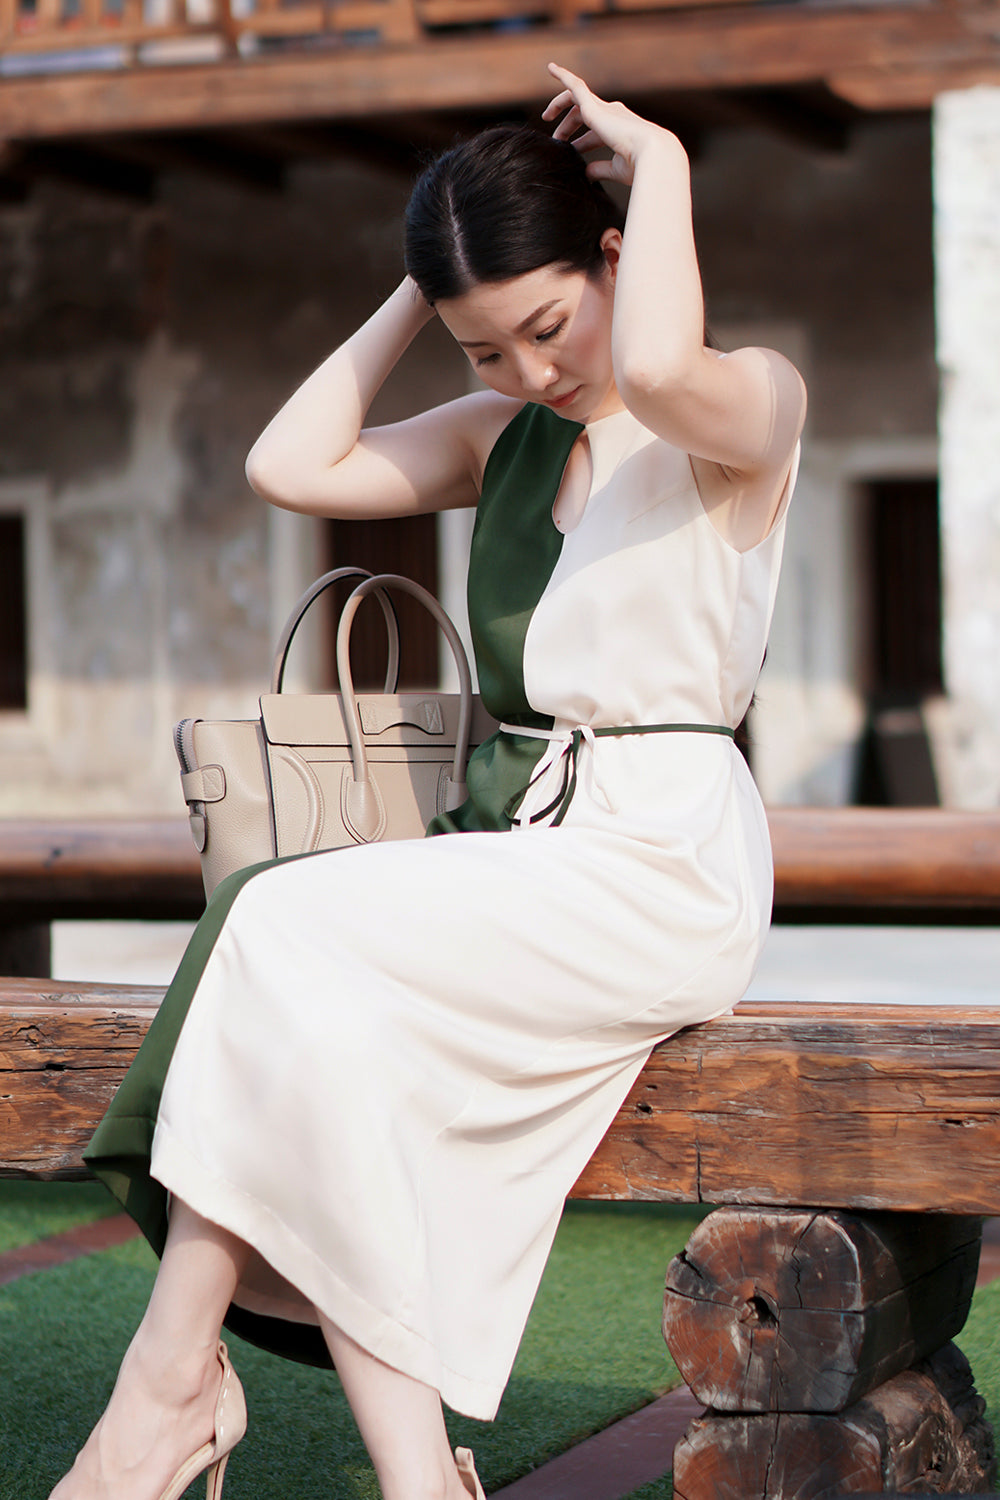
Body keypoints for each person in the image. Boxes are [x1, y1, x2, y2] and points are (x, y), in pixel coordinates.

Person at [50, 62, 805, 1500]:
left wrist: (667, 170)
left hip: (660, 863)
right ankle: (416, 1479)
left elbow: (652, 367)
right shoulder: (507, 442)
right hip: (522, 855)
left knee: (279, 924)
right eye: (484, 354)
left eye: (545, 323)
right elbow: (291, 463)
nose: (529, 373)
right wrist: (430, 276)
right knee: (334, 1043)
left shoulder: (743, 412)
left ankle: (166, 1387)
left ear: (613, 260)